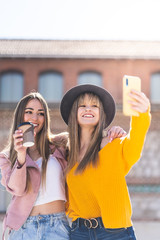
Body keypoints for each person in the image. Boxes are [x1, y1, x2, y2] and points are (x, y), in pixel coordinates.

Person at [0, 91, 126, 240]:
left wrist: (111, 133)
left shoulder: (59, 144)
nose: (35, 118)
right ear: (20, 116)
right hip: (24, 229)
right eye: (29, 112)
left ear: (45, 118)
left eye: (40, 113)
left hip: (57, 226)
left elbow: (89, 140)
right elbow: (18, 189)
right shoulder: (7, 157)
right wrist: (21, 154)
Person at [60, 84, 151, 240]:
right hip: (79, 232)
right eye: (82, 105)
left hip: (115, 233)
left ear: (101, 114)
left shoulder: (114, 144)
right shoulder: (66, 153)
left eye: (94, 106)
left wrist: (141, 115)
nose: (88, 109)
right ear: (73, 113)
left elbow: (135, 144)